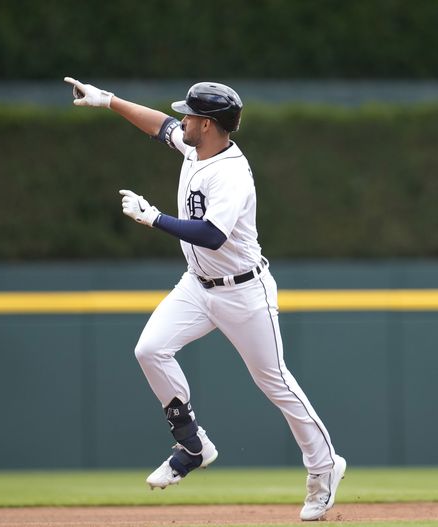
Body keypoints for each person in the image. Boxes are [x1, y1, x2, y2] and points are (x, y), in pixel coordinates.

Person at [63, 77, 346, 521]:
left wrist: (154, 217)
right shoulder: (197, 147)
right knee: (150, 349)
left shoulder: (230, 172)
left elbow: (213, 235)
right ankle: (192, 444)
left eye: (191, 115)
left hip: (243, 291)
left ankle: (325, 467)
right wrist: (109, 101)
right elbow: (159, 126)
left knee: (275, 382)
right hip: (198, 285)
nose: (183, 120)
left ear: (209, 124)